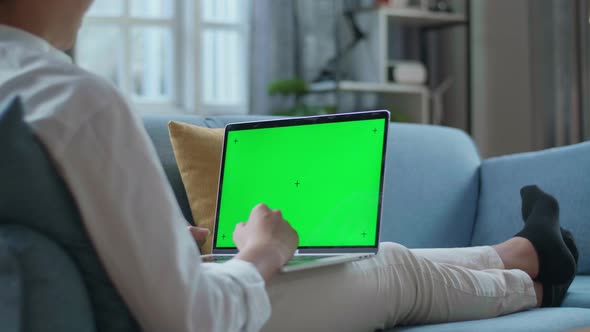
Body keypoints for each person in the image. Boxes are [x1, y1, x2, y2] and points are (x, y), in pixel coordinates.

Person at [0, 1, 578, 331]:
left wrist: (160, 239)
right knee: (394, 272)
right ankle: (534, 284)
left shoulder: (20, 89)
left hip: (133, 297)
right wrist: (264, 251)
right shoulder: (70, 100)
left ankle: (520, 253)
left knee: (374, 253)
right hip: (172, 317)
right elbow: (191, 319)